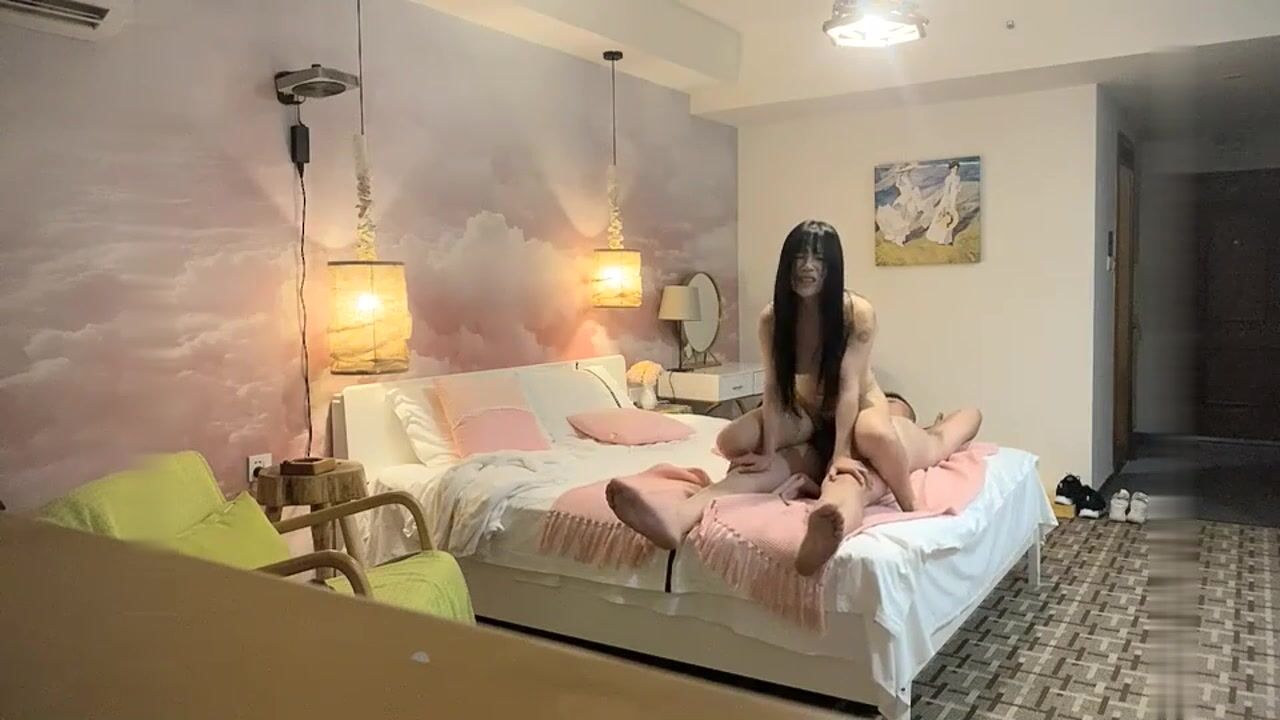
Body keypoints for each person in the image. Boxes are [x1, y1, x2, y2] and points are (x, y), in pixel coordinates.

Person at [607, 219, 914, 558]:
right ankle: (678, 517)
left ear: (833, 267)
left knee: (877, 436)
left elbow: (848, 386)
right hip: (806, 410)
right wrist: (768, 451)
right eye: (799, 257)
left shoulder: (855, 313)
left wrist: (841, 453)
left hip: (856, 402)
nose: (807, 266)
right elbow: (773, 386)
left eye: (818, 259)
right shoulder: (774, 318)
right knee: (730, 440)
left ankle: (912, 507)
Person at [925, 161, 962, 246]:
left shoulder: (958, 178)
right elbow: (947, 191)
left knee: (952, 219)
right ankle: (941, 239)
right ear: (951, 169)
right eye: (954, 169)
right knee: (945, 218)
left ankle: (948, 239)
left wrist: (958, 189)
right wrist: (947, 202)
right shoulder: (949, 178)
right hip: (948, 200)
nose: (955, 170)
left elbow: (957, 189)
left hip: (954, 199)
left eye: (956, 169)